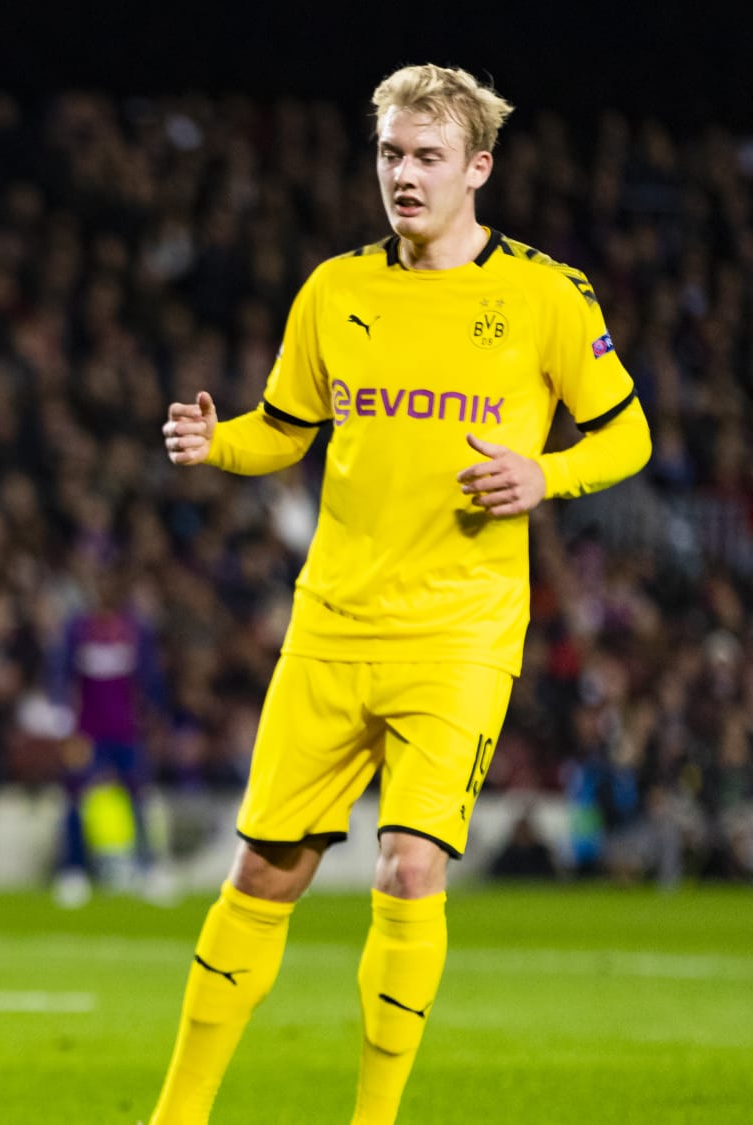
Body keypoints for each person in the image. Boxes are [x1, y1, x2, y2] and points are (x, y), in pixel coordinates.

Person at [148, 65, 651, 1125]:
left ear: (477, 168)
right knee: (262, 873)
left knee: (409, 870)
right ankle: (176, 1115)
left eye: (426, 157)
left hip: (459, 634)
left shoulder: (544, 296)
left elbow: (627, 432)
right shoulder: (334, 291)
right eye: (388, 154)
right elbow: (281, 429)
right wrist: (215, 444)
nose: (403, 176)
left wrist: (544, 475)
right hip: (330, 623)